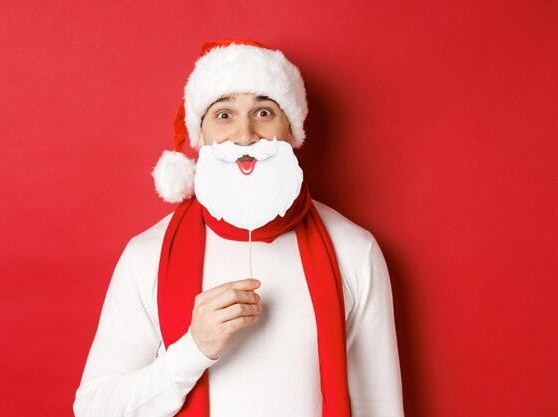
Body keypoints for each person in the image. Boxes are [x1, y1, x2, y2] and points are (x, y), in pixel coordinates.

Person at [73, 38, 405, 417]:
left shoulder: (354, 250)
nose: (245, 136)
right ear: (202, 136)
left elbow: (379, 406)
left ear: (292, 131)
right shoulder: (146, 255)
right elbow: (95, 409)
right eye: (224, 115)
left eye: (263, 112)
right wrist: (193, 350)